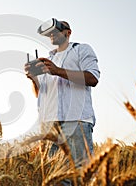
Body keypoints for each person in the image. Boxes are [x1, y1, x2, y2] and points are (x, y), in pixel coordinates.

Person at [24, 18, 100, 170]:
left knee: (82, 172)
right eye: (50, 31)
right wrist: (33, 79)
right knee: (54, 174)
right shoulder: (48, 60)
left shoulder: (81, 50)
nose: (52, 33)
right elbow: (40, 94)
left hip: (76, 120)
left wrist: (57, 71)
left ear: (68, 32)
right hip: (49, 124)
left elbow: (93, 78)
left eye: (58, 29)